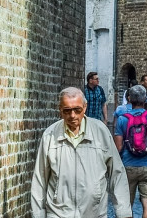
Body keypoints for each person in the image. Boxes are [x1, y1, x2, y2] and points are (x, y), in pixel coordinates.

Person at [31, 87, 131, 218]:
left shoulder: (100, 131)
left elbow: (116, 172)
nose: (72, 115)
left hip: (94, 213)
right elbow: (40, 179)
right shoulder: (50, 135)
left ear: (85, 107)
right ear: (60, 109)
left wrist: (123, 212)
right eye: (67, 110)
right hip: (58, 213)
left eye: (77, 110)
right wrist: (38, 214)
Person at [114, 85, 147, 218]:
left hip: (128, 166)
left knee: (126, 204)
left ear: (130, 99)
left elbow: (118, 147)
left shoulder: (122, 119)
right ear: (145, 99)